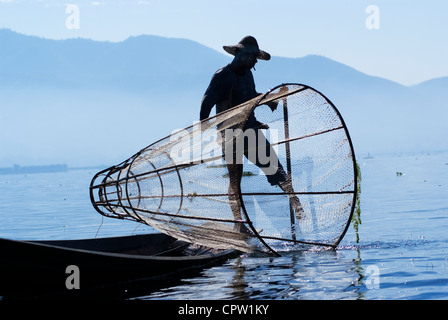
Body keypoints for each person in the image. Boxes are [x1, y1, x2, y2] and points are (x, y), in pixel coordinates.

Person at [199, 36, 304, 232]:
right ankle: (239, 223)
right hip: (229, 134)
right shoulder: (223, 75)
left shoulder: (247, 74)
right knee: (235, 179)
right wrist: (205, 127)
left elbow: (250, 98)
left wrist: (271, 98)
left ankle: (294, 201)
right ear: (241, 55)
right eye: (253, 57)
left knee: (275, 168)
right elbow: (207, 103)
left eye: (256, 58)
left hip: (250, 131)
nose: (255, 62)